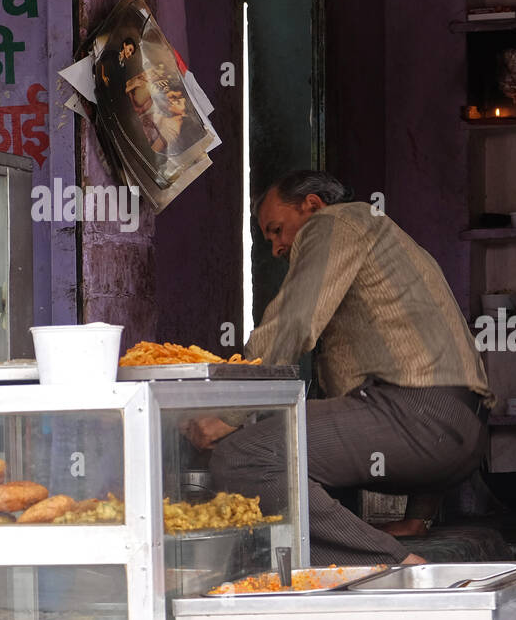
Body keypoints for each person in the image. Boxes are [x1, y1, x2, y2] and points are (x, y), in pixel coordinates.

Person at [194, 171, 493, 566]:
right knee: (293, 447)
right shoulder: (391, 238)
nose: (277, 248)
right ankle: (395, 538)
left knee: (242, 456)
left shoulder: (334, 222)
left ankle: (390, 563)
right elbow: (439, 374)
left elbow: (294, 321)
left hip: (419, 420)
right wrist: (418, 516)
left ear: (312, 205)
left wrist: (229, 413)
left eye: (277, 230)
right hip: (460, 440)